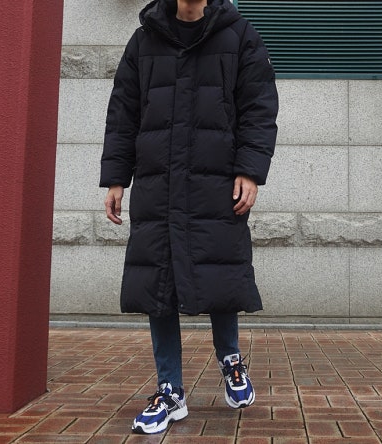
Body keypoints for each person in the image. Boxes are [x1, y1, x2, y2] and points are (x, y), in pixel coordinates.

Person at [100, 0, 278, 435]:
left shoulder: (240, 36)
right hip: (158, 184)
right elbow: (123, 113)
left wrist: (249, 171)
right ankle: (170, 390)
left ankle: (230, 360)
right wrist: (116, 178)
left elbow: (259, 106)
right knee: (157, 281)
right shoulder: (144, 41)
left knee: (219, 269)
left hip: (216, 181)